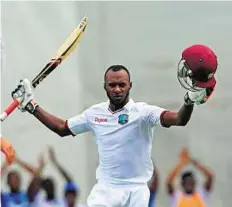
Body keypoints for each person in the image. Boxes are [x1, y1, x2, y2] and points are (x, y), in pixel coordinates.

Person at [11, 44, 218, 206]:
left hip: (137, 189)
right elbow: (62, 128)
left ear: (130, 86)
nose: (117, 89)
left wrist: (189, 101)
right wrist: (31, 105)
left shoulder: (143, 112)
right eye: (112, 85)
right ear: (105, 88)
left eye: (122, 84)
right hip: (106, 189)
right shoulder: (94, 113)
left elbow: (179, 119)